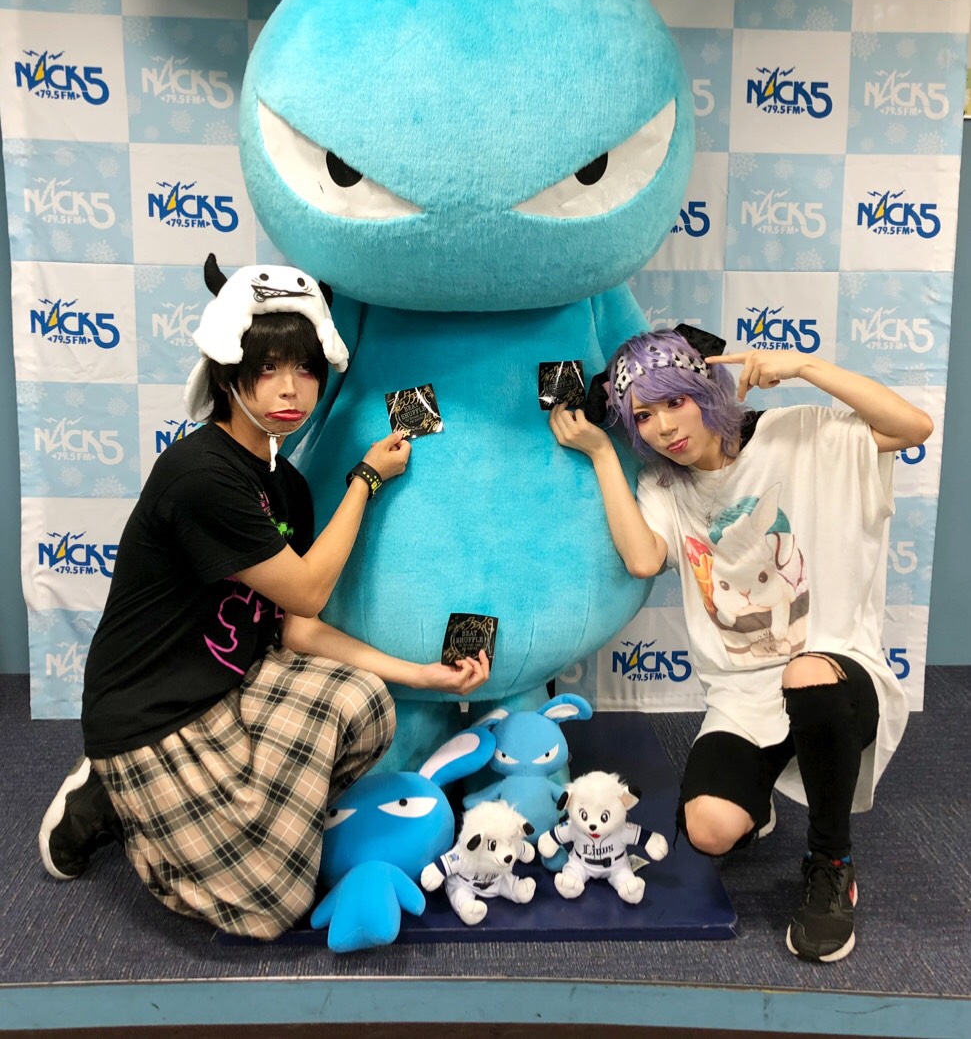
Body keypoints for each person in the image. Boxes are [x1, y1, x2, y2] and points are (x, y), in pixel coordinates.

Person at [38, 257, 489, 940]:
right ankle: (112, 798)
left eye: (305, 368)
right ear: (228, 373)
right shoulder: (199, 474)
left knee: (365, 704)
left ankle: (224, 824)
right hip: (148, 717)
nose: (290, 388)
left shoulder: (288, 486)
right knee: (271, 908)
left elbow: (300, 629)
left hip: (230, 685)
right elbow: (309, 586)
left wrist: (421, 675)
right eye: (268, 367)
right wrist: (365, 479)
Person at [548, 325, 932, 963]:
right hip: (743, 695)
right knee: (708, 829)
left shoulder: (798, 434)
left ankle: (831, 862)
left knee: (806, 674)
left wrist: (806, 366)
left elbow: (913, 427)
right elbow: (643, 559)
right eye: (642, 416)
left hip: (836, 672)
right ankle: (758, 801)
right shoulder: (666, 487)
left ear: (704, 389)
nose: (664, 427)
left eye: (675, 401)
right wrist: (601, 454)